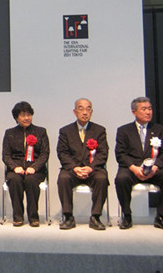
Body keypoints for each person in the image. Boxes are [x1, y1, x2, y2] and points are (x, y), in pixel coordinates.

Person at [115, 97, 163, 230]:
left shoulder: (160, 130)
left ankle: (161, 217)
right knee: (121, 179)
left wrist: (155, 167)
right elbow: (120, 154)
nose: (148, 112)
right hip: (133, 168)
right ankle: (127, 215)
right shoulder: (124, 130)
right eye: (144, 109)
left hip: (154, 168)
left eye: (150, 109)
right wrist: (134, 168)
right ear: (134, 112)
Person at [56, 98, 109, 230]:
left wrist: (91, 168)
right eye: (81, 109)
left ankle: (95, 217)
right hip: (72, 170)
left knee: (102, 178)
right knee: (63, 178)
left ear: (91, 112)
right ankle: (68, 216)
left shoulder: (99, 130)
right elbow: (62, 153)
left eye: (88, 109)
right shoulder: (65, 131)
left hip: (93, 169)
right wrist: (74, 168)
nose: (85, 112)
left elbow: (103, 153)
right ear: (75, 112)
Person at [2, 101, 49, 227]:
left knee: (31, 180)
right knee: (14, 180)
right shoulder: (9, 133)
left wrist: (34, 167)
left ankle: (33, 216)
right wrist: (14, 167)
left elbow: (45, 153)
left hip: (35, 170)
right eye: (23, 115)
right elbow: (6, 155)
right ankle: (18, 216)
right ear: (16, 117)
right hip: (16, 169)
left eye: (29, 115)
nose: (27, 118)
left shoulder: (41, 132)